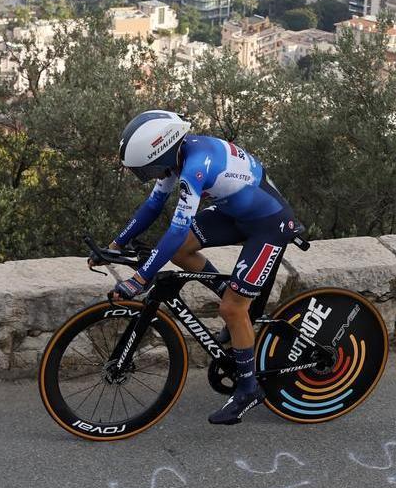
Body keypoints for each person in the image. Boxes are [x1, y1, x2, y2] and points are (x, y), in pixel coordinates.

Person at [95, 110, 299, 425]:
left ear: (160, 152)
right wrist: (116, 244)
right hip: (236, 211)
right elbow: (152, 207)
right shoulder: (178, 156)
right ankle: (233, 296)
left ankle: (248, 390)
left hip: (268, 224)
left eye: (148, 168)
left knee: (232, 309)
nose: (150, 175)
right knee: (182, 251)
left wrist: (140, 278)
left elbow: (176, 228)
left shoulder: (195, 165)